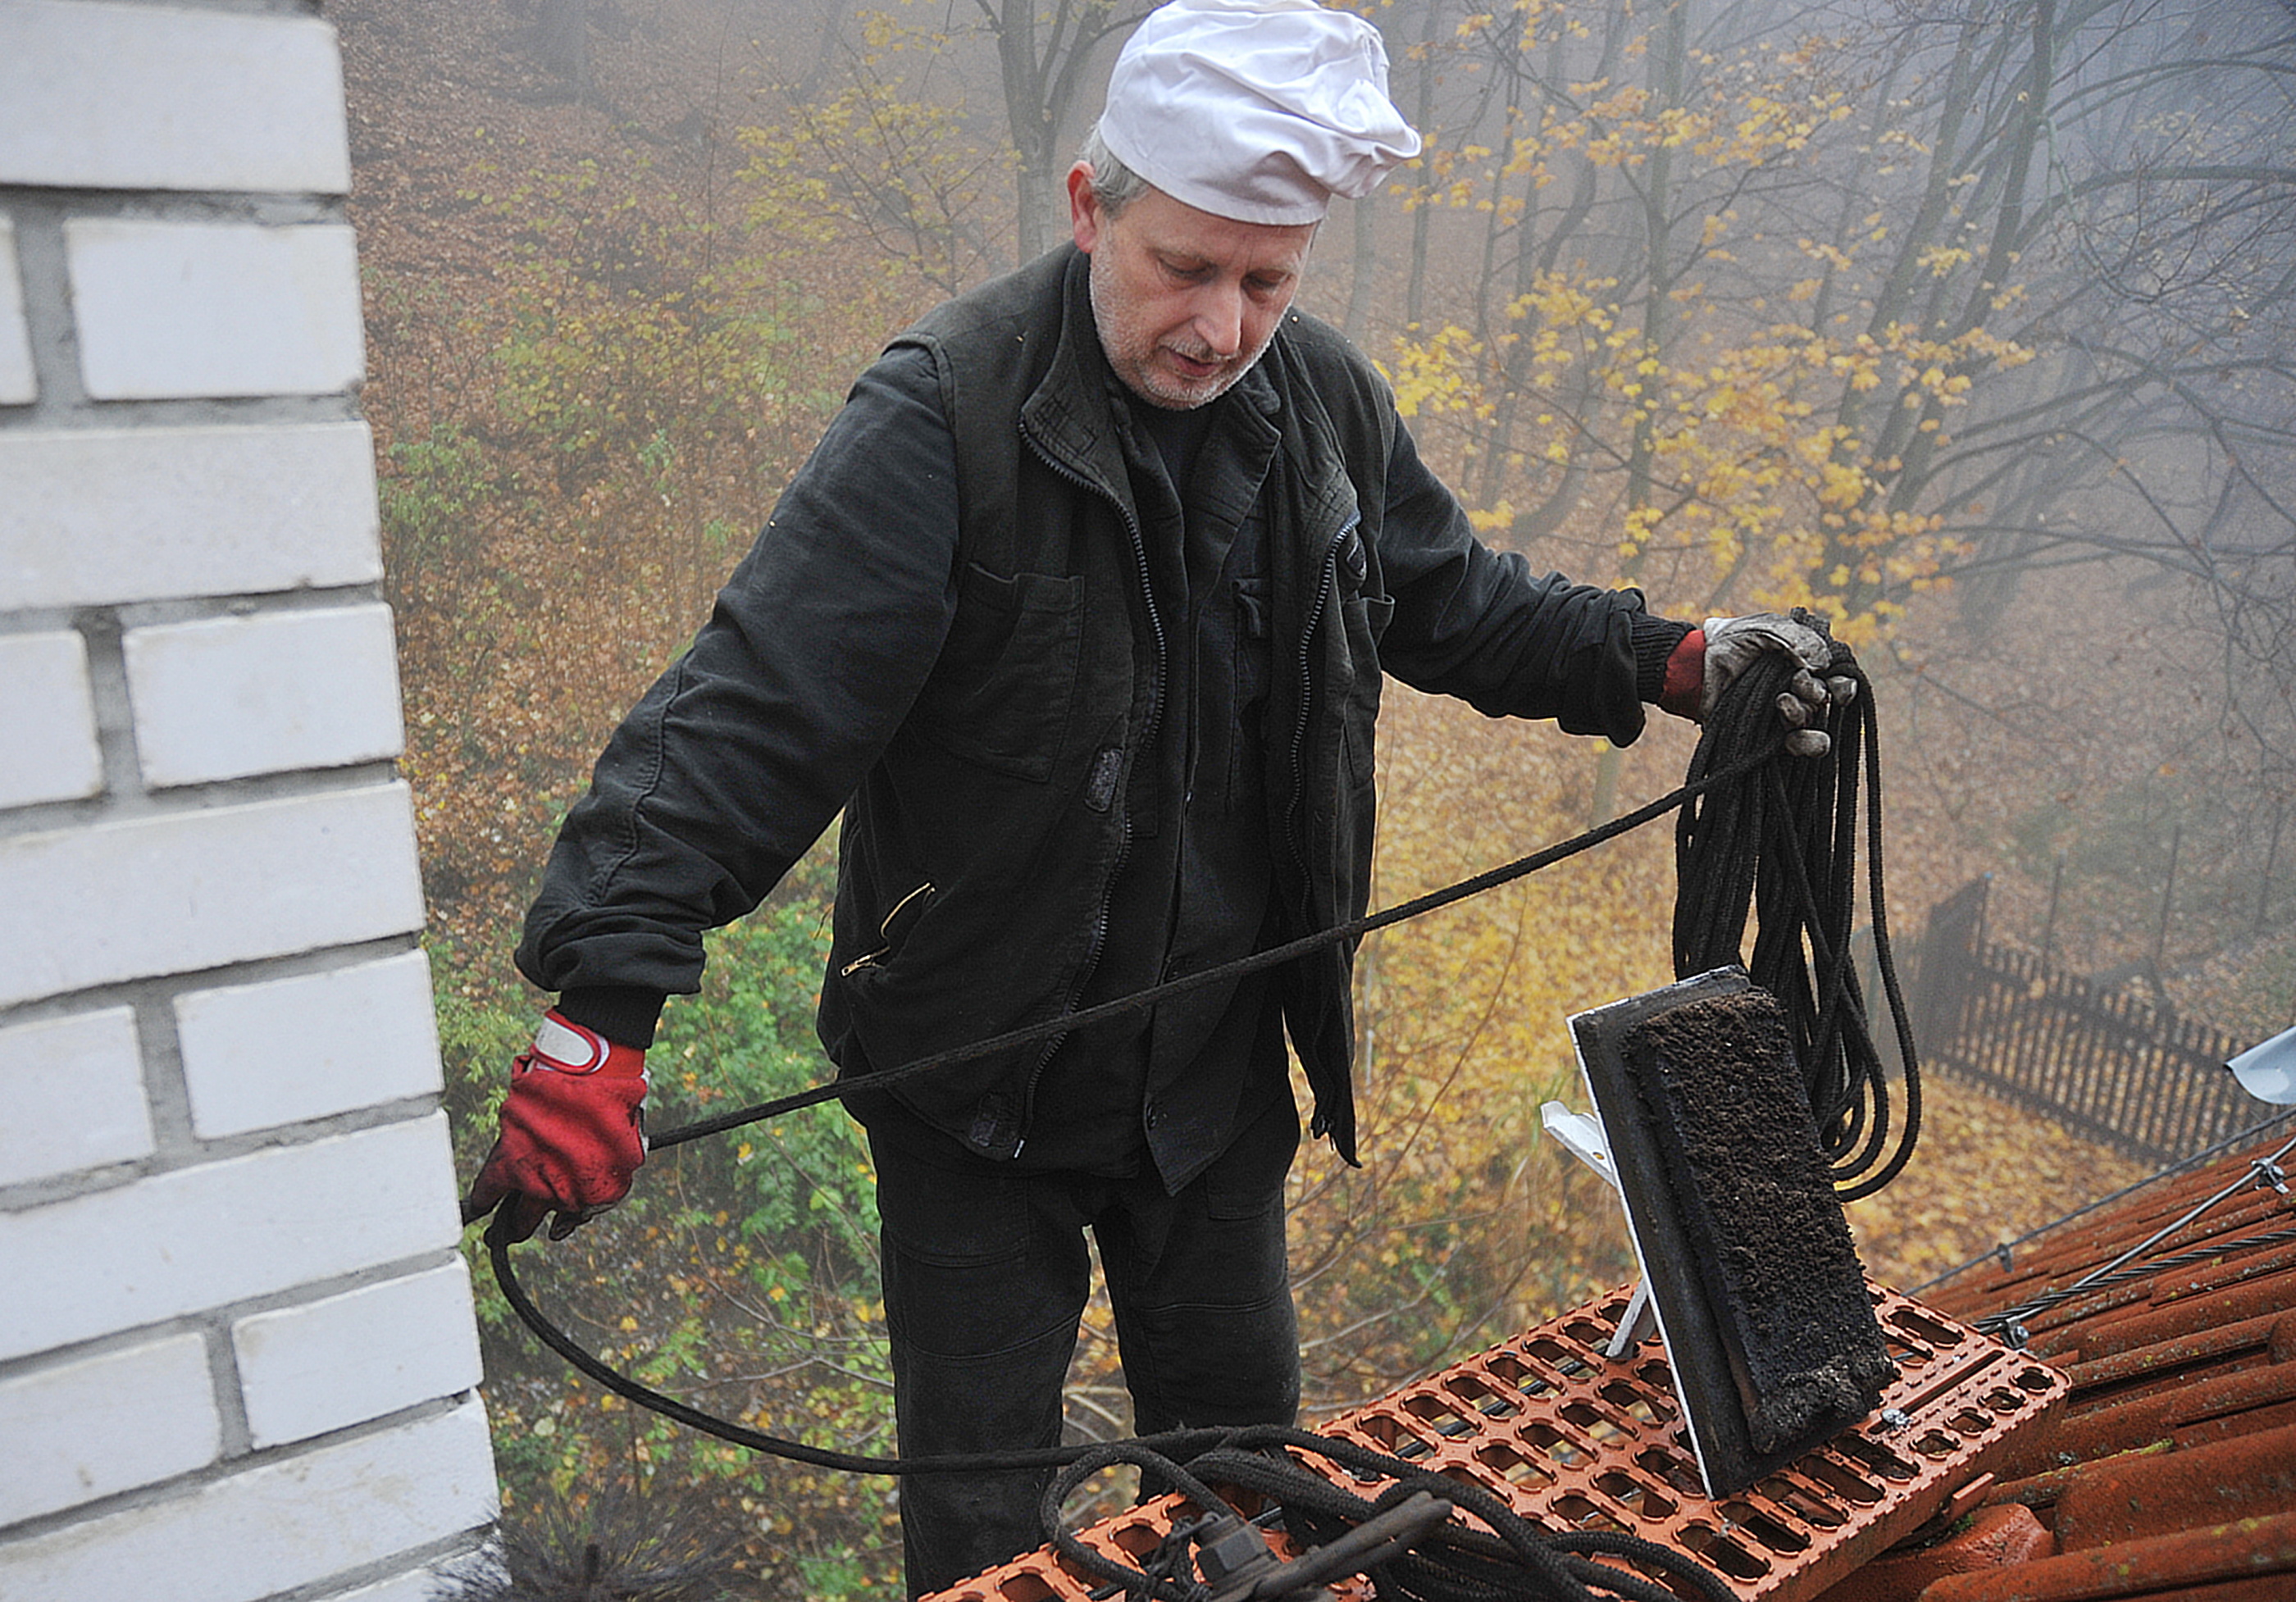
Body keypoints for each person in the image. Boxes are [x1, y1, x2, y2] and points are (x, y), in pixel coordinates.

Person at [462, 0, 1843, 1590]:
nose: (1221, 322)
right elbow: (749, 709)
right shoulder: (944, 415)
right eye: (1183, 267)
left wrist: (1675, 660)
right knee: (985, 1536)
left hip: (1212, 1090)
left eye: (1265, 280)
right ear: (1086, 207)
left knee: (1258, 1496)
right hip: (974, 1098)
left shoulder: (1321, 407)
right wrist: (601, 1003)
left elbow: (1461, 602)